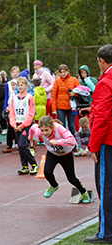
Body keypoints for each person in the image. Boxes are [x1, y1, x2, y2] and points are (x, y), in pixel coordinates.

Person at [84, 44, 112, 244]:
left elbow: (102, 117)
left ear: (102, 61)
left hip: (108, 142)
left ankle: (106, 233)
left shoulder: (105, 82)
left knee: (106, 187)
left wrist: (93, 146)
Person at [28, 116, 91, 202]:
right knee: (47, 172)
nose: (44, 133)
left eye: (47, 130)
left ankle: (84, 193)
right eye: (42, 130)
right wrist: (31, 136)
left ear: (52, 127)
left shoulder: (59, 128)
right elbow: (32, 127)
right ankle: (54, 185)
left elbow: (72, 141)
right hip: (53, 154)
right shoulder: (39, 131)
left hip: (66, 155)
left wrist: (58, 142)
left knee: (71, 179)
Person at [9, 77, 39, 175]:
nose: (20, 87)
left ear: (26, 86)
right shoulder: (14, 98)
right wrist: (14, 125)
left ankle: (34, 164)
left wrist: (23, 125)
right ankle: (24, 166)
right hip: (16, 125)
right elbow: (12, 113)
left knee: (22, 145)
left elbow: (31, 114)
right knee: (20, 146)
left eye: (22, 85)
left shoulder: (30, 98)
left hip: (25, 126)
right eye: (19, 85)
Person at [51, 64, 80, 135]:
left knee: (71, 125)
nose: (63, 74)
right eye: (61, 72)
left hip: (71, 106)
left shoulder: (74, 80)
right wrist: (54, 109)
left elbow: (80, 91)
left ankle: (73, 140)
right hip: (60, 106)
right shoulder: (57, 81)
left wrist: (75, 93)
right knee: (61, 125)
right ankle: (63, 141)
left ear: (68, 71)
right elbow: (54, 95)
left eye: (64, 72)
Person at [3, 79, 17, 153]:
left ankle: (19, 143)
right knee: (10, 128)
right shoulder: (11, 94)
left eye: (14, 85)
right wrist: (7, 108)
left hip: (18, 114)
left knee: (18, 128)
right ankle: (9, 145)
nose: (12, 87)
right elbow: (7, 100)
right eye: (11, 85)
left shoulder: (19, 95)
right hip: (11, 113)